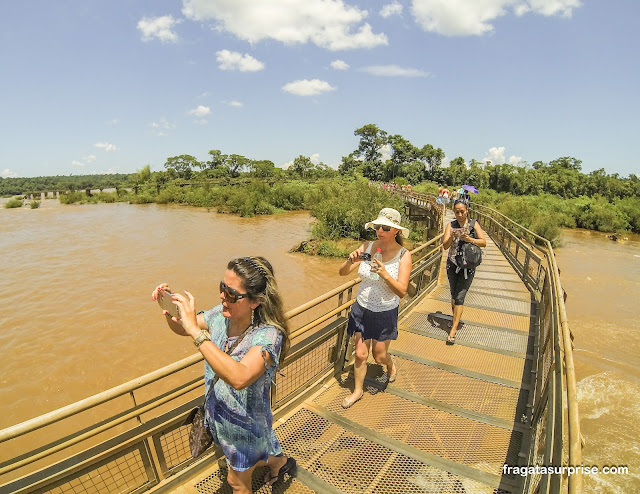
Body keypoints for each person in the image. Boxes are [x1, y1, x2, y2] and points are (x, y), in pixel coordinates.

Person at [152, 257, 295, 493]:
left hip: (246, 427)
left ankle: (277, 462)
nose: (222, 297)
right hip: (220, 417)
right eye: (222, 288)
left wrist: (197, 333)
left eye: (231, 293)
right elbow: (183, 327)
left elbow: (240, 377)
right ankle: (280, 462)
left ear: (255, 302)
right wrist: (168, 310)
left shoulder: (268, 336)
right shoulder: (220, 314)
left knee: (236, 483)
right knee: (248, 461)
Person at [338, 208, 412, 408]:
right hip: (362, 307)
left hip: (385, 311)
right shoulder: (368, 247)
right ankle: (358, 390)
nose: (380, 230)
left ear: (396, 230)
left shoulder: (404, 255)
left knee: (378, 356)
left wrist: (385, 274)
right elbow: (342, 273)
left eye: (385, 227)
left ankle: (390, 364)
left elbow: (402, 291)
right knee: (361, 354)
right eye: (377, 226)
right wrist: (350, 260)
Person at [442, 200, 487, 344]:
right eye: (457, 212)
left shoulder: (474, 224)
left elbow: (483, 242)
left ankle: (453, 329)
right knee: (454, 294)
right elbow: (444, 246)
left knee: (460, 296)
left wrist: (469, 239)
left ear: (467, 210)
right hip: (452, 264)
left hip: (468, 267)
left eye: (462, 211)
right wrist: (452, 236)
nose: (460, 214)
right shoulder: (451, 225)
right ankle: (455, 319)